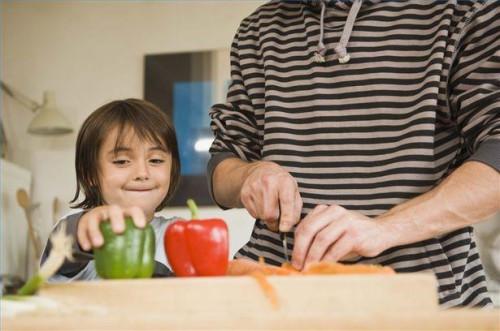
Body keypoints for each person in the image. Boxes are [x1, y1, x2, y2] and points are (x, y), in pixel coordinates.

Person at [208, 0, 500, 307]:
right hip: (274, 302)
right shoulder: (257, 29)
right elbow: (224, 164)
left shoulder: (465, 9)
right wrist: (248, 175)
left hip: (427, 303)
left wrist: (385, 228)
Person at [40, 98, 181, 280]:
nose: (142, 173)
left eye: (156, 160)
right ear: (90, 173)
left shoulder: (179, 231)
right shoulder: (82, 228)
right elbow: (66, 242)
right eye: (121, 161)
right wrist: (85, 226)